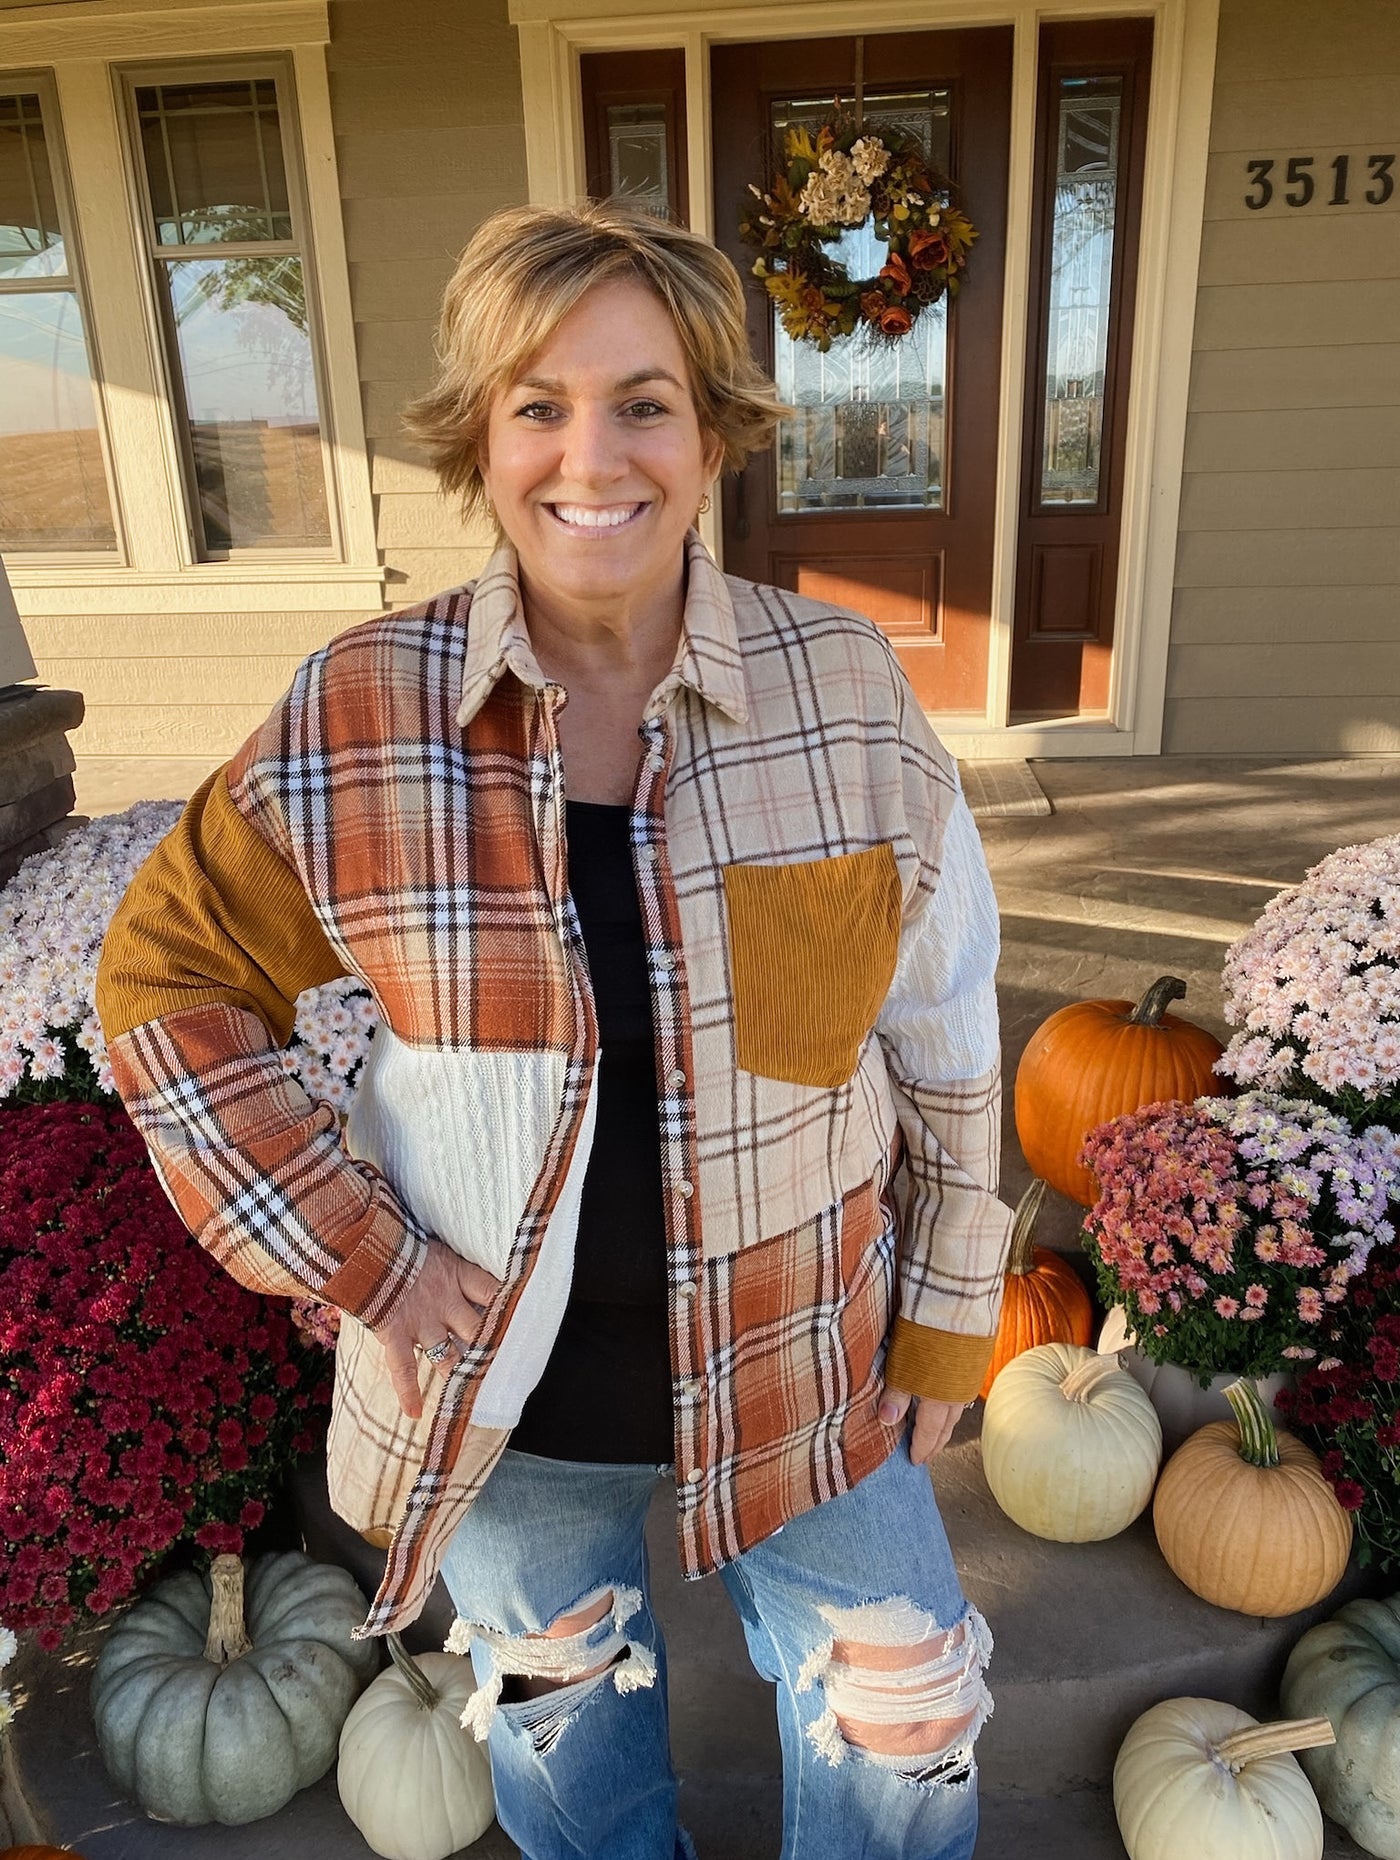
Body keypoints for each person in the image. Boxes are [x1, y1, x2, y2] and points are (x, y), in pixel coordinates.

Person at [95, 200, 1013, 1860]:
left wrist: (950, 1322)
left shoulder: (850, 692)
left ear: (716, 432)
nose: (594, 455)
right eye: (540, 404)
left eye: (646, 401)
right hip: (499, 1406)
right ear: (483, 441)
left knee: (908, 1721)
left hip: (804, 1367)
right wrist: (359, 1254)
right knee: (566, 1746)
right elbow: (166, 985)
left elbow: (943, 1031)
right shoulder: (364, 713)